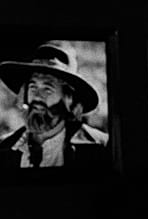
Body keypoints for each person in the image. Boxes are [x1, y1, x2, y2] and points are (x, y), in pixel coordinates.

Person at [0, 40, 108, 169]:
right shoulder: (4, 147)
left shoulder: (100, 146)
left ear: (68, 99)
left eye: (47, 89)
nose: (37, 96)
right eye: (33, 87)